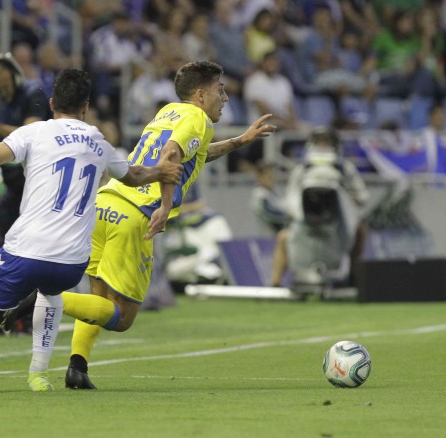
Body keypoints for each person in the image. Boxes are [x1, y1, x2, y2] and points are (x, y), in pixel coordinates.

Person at [0, 68, 183, 394]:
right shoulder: (99, 142)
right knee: (50, 294)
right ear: (86, 106)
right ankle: (38, 375)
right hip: (72, 263)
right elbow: (134, 176)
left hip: (29, 249)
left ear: (51, 102)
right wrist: (161, 171)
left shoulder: (33, 133)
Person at [28, 61, 277, 391]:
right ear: (201, 94)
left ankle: (77, 367)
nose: (226, 97)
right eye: (220, 89)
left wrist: (238, 142)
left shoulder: (169, 113)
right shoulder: (199, 118)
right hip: (134, 215)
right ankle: (33, 300)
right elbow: (172, 155)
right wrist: (164, 204)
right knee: (123, 316)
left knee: (99, 298)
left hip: (104, 205)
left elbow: (191, 153)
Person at [270, 127, 368, 287]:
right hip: (306, 223)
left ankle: (354, 276)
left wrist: (352, 200)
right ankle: (275, 283)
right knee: (283, 238)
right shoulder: (302, 169)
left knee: (361, 231)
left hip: (338, 222)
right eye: (320, 142)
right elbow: (291, 197)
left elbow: (362, 194)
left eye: (327, 142)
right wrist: (293, 211)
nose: (323, 145)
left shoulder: (345, 168)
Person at [0, 52, 52, 238]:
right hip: (11, 179)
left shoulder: (34, 92)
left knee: (35, 235)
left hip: (37, 178)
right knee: (2, 233)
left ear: (10, 74)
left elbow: (32, 134)